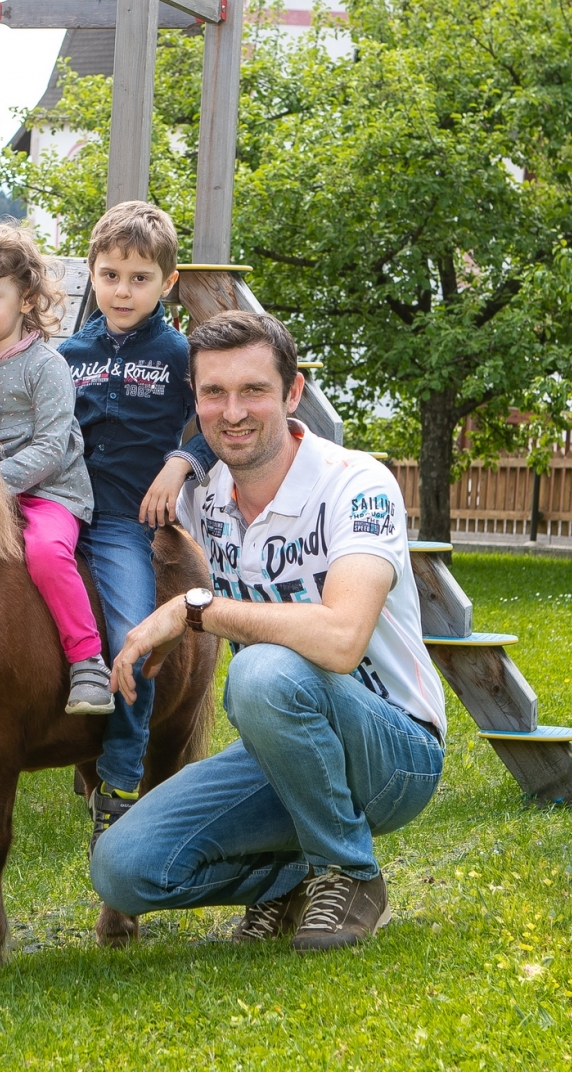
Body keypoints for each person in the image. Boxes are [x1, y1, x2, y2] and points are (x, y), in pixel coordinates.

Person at [89, 310, 446, 952]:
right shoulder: (204, 497)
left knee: (262, 669)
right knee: (121, 869)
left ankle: (350, 873)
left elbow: (342, 640)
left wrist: (195, 611)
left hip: (395, 750)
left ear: (292, 392)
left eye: (253, 390)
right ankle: (289, 877)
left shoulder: (356, 484)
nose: (232, 412)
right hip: (280, 750)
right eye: (213, 393)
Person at [56, 202, 216, 847]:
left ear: (167, 282)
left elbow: (211, 423)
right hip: (57, 510)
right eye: (111, 275)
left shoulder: (181, 356)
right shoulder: (67, 353)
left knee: (132, 641)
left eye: (140, 277)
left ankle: (120, 781)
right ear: (92, 274)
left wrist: (179, 465)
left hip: (123, 522)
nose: (123, 291)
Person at [0, 224, 109, 713]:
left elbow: (52, 446)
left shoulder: (44, 366)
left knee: (48, 553)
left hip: (51, 494)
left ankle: (86, 660)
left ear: (27, 299)